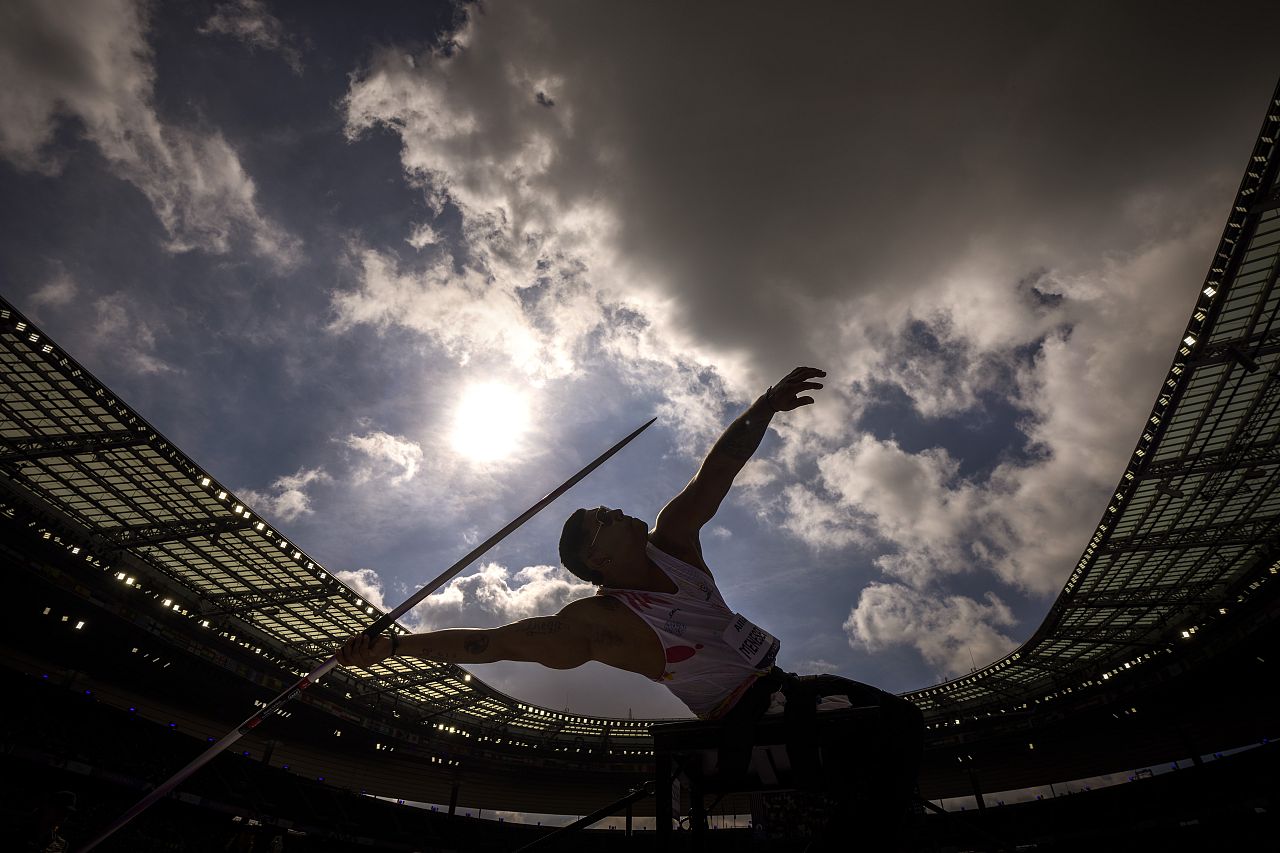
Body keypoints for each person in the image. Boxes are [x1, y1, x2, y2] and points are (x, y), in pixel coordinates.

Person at [338, 366, 922, 839]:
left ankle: (838, 816)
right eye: (602, 520)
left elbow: (717, 472)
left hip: (784, 685)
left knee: (902, 721)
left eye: (606, 508)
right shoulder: (600, 621)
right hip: (741, 713)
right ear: (597, 561)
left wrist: (763, 406)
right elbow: (490, 642)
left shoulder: (674, 544)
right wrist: (391, 645)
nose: (615, 510)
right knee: (871, 749)